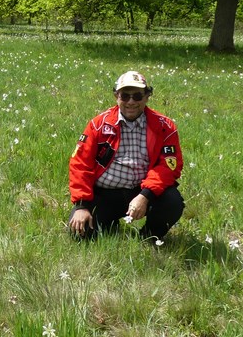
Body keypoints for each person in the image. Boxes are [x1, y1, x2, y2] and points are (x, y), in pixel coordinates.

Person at [68, 71, 185, 241]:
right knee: (79, 233)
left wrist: (145, 195)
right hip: (105, 193)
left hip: (142, 190)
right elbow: (80, 165)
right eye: (125, 96)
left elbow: (168, 167)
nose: (131, 102)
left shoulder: (164, 127)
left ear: (147, 96)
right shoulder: (98, 125)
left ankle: (149, 237)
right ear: (116, 96)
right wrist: (81, 205)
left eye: (137, 96)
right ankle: (109, 221)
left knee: (172, 202)